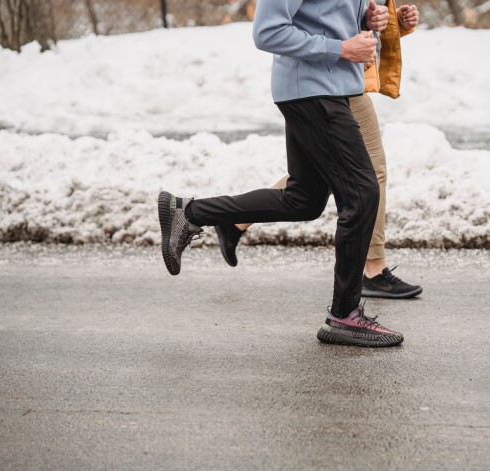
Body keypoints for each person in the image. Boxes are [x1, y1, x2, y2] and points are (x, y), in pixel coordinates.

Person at [158, 0, 404, 348]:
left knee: (302, 200)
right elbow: (268, 31)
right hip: (314, 91)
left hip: (331, 89)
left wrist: (367, 17)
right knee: (362, 195)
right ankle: (344, 315)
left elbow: (327, 15)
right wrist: (341, 48)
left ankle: (189, 212)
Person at [215, 1, 422, 300]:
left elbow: (336, 18)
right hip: (322, 83)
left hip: (341, 79)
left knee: (322, 177)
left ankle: (231, 220)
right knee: (366, 174)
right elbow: (274, 31)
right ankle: (372, 270)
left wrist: (388, 22)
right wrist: (343, 47)